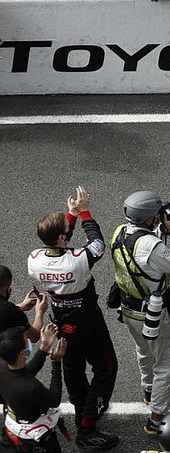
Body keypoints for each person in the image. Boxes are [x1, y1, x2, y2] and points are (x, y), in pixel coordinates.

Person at [26, 186, 119, 449]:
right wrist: (85, 211)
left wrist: (71, 215)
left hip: (60, 321)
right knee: (107, 367)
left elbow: (60, 243)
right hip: (88, 321)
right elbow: (98, 243)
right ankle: (87, 428)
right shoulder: (77, 260)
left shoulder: (34, 260)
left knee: (73, 369)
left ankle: (82, 412)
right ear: (61, 237)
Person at [110, 190, 170, 435]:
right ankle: (156, 418)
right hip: (153, 314)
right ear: (148, 218)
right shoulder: (151, 246)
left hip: (129, 308)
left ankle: (147, 390)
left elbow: (143, 247)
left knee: (143, 351)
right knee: (164, 365)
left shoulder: (120, 232)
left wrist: (159, 229)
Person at [0, 324, 67, 452]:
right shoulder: (31, 388)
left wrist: (44, 348)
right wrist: (56, 363)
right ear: (23, 353)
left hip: (12, 432)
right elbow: (54, 399)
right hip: (34, 441)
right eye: (26, 341)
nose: (29, 342)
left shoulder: (3, 365)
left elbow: (23, 373)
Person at [0, 266, 46, 343]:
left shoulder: (9, 311)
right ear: (8, 288)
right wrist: (40, 312)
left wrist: (20, 307)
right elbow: (34, 336)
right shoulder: (11, 312)